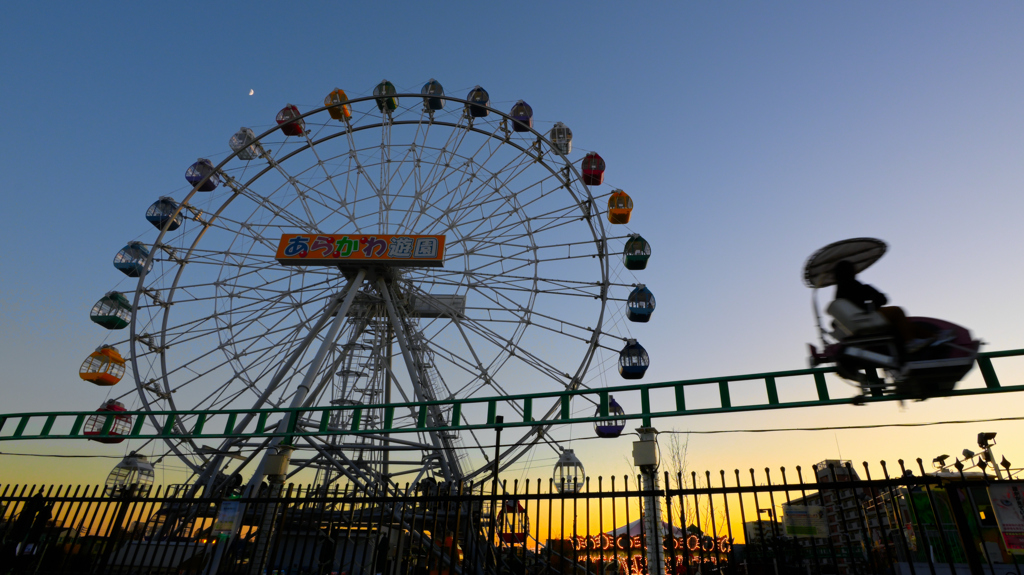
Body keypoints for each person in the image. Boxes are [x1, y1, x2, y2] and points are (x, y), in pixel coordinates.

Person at [833, 260, 915, 353]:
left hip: (857, 322)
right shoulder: (854, 284)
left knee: (906, 325)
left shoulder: (839, 292)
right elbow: (883, 299)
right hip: (867, 320)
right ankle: (910, 343)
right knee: (897, 311)